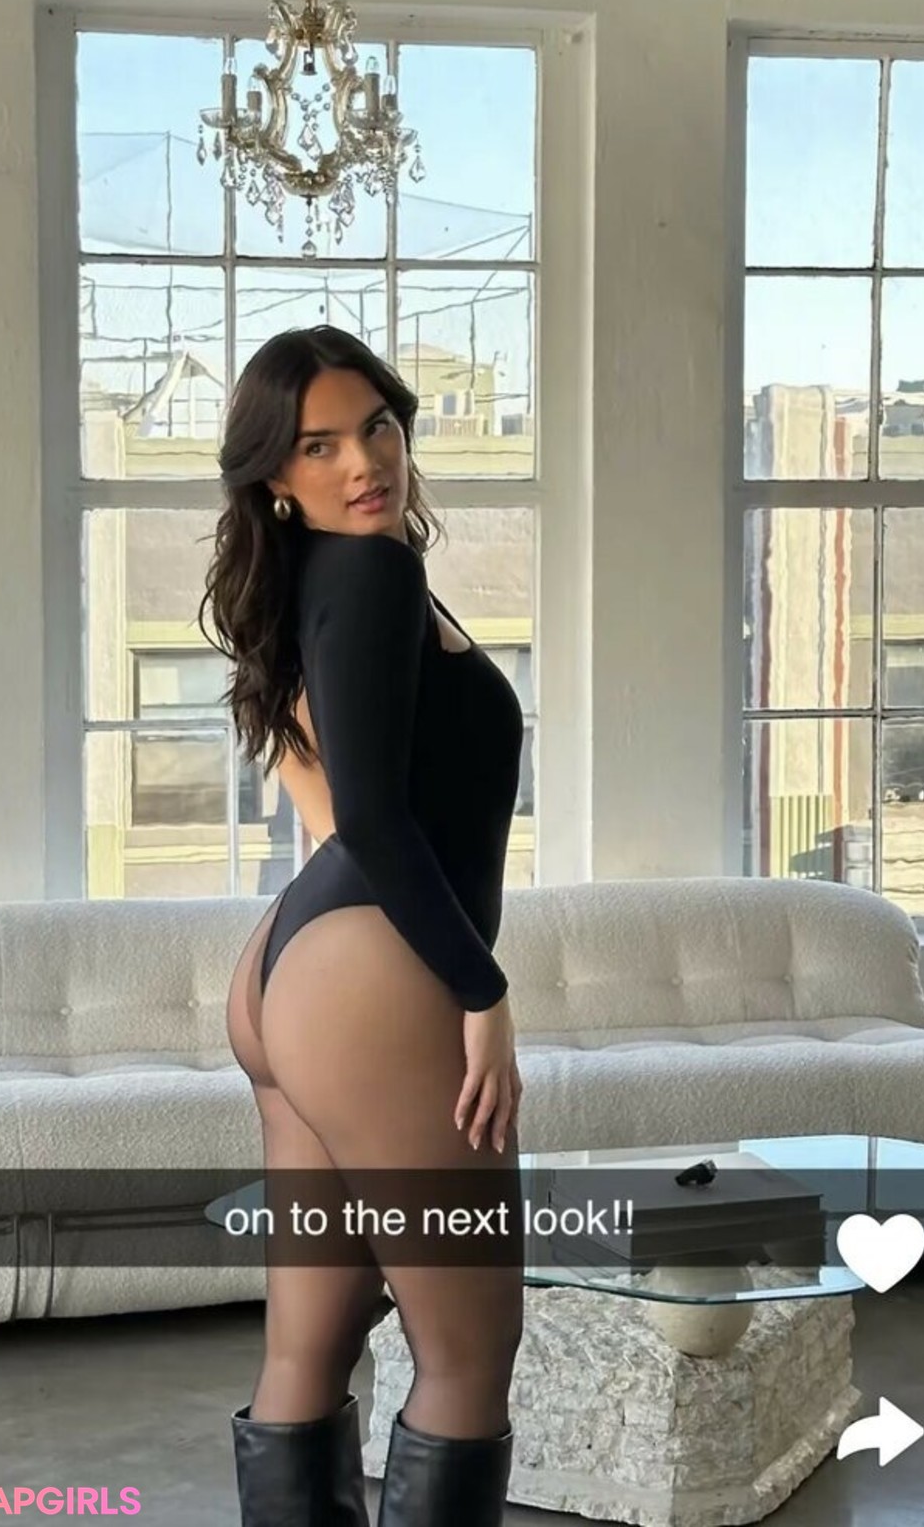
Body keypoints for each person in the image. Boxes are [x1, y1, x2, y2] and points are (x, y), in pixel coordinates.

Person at [198, 324, 526, 1526]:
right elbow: (379, 820)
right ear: (276, 478)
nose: (362, 462)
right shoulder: (371, 577)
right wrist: (483, 993)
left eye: (376, 427)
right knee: (468, 1353)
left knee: (306, 1347)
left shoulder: (326, 580)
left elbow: (334, 806)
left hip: (294, 972)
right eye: (319, 446)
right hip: (371, 977)